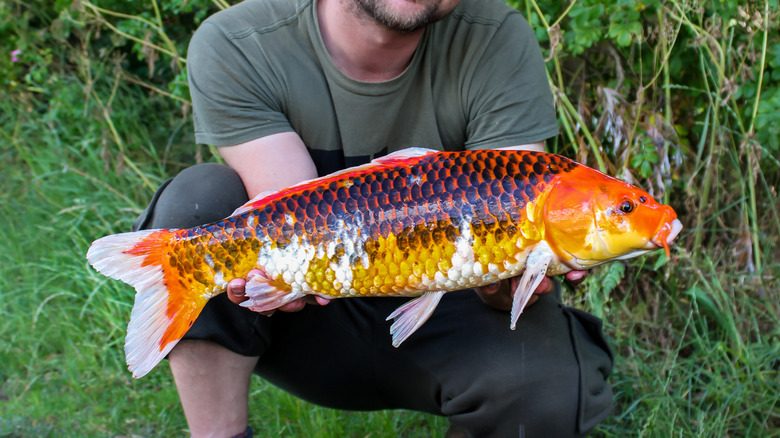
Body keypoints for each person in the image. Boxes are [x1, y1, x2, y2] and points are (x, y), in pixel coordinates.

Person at [132, 0, 615, 436]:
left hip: (450, 309)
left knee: (554, 387)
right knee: (198, 201)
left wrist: (508, 278)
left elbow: (519, 197)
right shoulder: (237, 41)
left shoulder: (498, 35)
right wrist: (274, 280)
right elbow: (287, 206)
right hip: (308, 316)